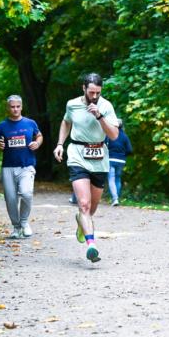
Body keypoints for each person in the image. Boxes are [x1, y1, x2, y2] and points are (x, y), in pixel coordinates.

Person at [53, 73, 119, 263]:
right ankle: (91, 245)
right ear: (83, 88)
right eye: (91, 92)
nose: (95, 96)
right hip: (77, 155)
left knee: (93, 207)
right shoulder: (72, 104)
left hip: (99, 156)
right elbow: (66, 122)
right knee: (84, 204)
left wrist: (99, 116)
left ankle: (82, 223)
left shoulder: (106, 106)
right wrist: (59, 144)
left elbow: (114, 135)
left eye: (98, 92)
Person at [0, 95, 42, 238]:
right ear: (8, 108)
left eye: (17, 106)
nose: (15, 109)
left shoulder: (30, 123)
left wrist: (37, 143)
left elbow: (39, 136)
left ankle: (24, 222)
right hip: (8, 167)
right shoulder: (2, 126)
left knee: (26, 193)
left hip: (27, 165)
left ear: (21, 107)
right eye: (12, 107)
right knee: (11, 199)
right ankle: (16, 227)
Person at [106, 119, 133, 206]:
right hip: (121, 160)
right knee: (117, 178)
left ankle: (115, 199)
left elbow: (104, 146)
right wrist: (123, 155)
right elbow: (130, 150)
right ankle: (116, 198)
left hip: (111, 159)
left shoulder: (109, 135)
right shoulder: (125, 137)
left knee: (111, 179)